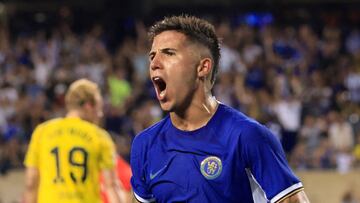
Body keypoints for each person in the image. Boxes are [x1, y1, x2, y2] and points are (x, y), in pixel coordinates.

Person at [130, 15, 310, 203]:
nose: (154, 63)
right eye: (152, 55)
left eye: (168, 53)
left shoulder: (246, 136)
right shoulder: (145, 144)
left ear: (203, 67)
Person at [23, 79, 124, 203]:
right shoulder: (100, 137)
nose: (100, 114)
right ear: (88, 106)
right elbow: (112, 186)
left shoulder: (42, 132)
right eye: (99, 108)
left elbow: (31, 183)